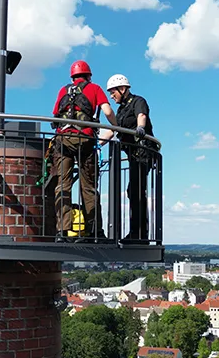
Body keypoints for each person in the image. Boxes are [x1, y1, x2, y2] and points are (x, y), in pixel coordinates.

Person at [51, 60, 117, 240]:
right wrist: (116, 126)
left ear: (73, 77)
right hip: (85, 140)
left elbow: (55, 114)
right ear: (88, 75)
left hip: (62, 141)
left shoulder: (63, 90)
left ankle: (62, 231)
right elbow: (107, 110)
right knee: (88, 187)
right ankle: (94, 231)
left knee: (62, 185)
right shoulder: (94, 88)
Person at [106, 74, 156, 240]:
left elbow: (141, 116)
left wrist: (140, 128)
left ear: (123, 89)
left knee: (136, 190)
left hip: (143, 153)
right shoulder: (121, 110)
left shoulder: (138, 101)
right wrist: (98, 143)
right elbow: (114, 129)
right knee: (133, 191)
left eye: (113, 92)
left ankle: (139, 232)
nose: (111, 96)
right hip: (133, 154)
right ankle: (137, 231)